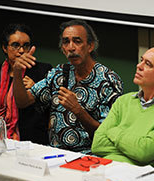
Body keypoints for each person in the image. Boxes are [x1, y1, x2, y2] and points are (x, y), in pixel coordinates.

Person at [12, 19, 123, 154]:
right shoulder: (59, 73)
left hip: (89, 156)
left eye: (77, 41)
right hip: (54, 153)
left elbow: (106, 135)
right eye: (66, 42)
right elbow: (22, 102)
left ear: (90, 46)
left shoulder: (108, 80)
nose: (71, 47)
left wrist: (78, 110)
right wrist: (17, 73)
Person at [91, 43, 154, 171]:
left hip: (145, 178)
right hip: (107, 170)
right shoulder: (124, 101)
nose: (138, 66)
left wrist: (113, 131)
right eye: (141, 60)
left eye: (147, 64)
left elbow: (144, 152)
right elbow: (97, 145)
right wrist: (137, 147)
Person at [0, 24, 52, 144]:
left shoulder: (42, 71)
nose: (21, 51)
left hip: (30, 140)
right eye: (16, 45)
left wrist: (37, 89)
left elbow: (49, 109)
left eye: (26, 46)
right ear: (5, 48)